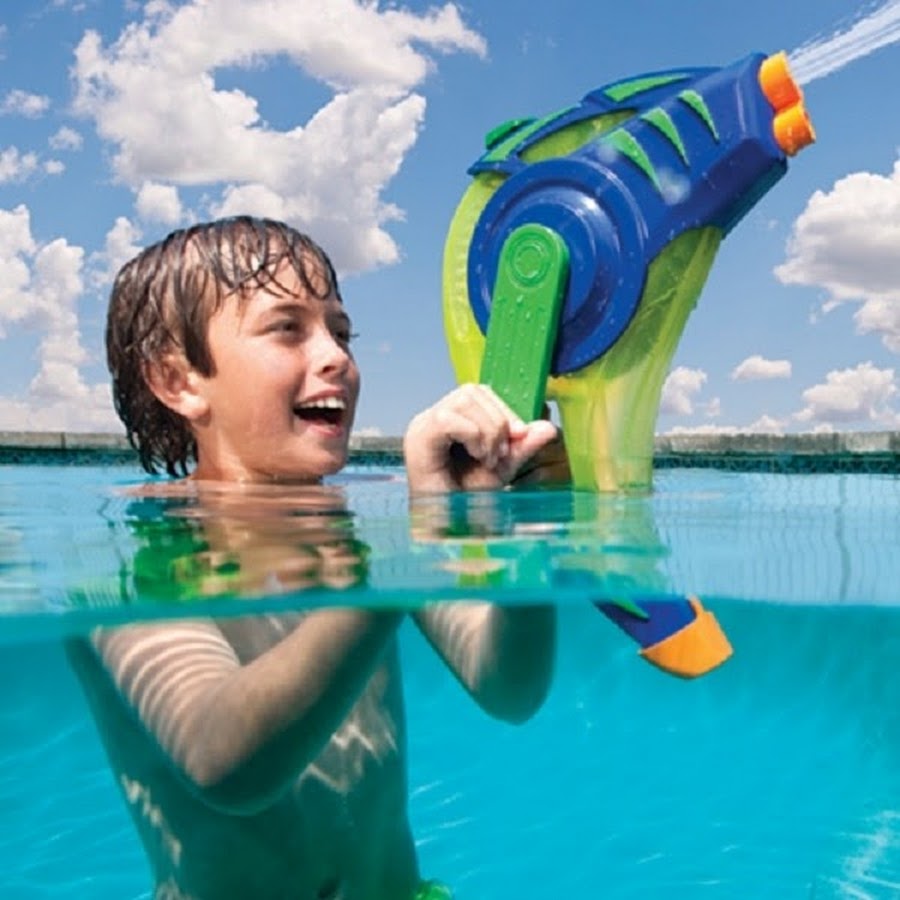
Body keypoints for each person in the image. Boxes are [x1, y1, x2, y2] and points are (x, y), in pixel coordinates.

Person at [66, 216, 560, 900]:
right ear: (178, 380)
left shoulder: (369, 530)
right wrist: (421, 545)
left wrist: (515, 528)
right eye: (288, 328)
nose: (337, 357)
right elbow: (224, 762)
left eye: (341, 331)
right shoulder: (132, 556)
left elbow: (508, 689)